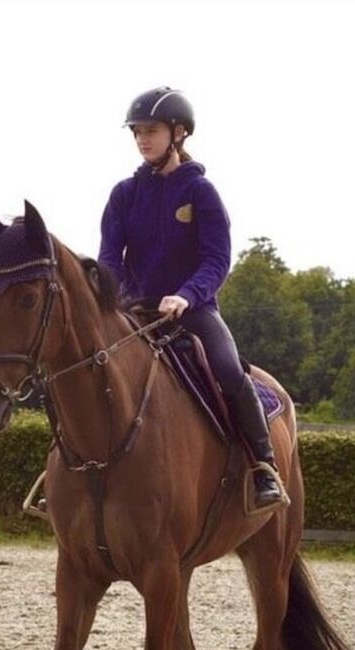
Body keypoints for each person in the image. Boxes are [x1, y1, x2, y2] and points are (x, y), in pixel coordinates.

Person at [98, 86, 283, 509]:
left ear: (178, 133)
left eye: (152, 130)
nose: (143, 139)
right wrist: (124, 296)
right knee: (90, 368)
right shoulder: (123, 195)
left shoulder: (201, 193)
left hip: (193, 311)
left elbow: (217, 260)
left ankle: (264, 468)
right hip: (135, 311)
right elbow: (110, 256)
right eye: (138, 132)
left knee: (229, 371)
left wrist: (185, 295)